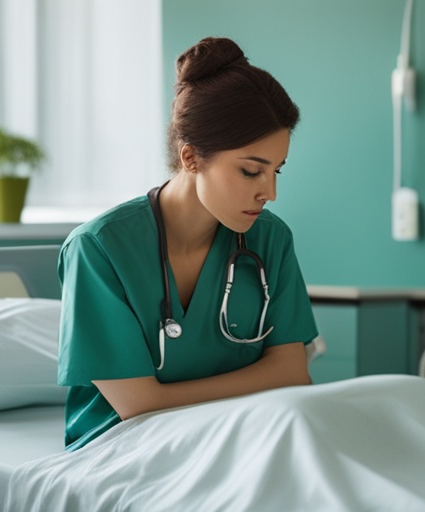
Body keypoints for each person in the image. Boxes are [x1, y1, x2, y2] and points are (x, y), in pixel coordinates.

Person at [57, 37, 319, 451]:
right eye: (252, 171)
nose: (269, 192)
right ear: (191, 158)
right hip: (124, 448)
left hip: (243, 436)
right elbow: (137, 407)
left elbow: (292, 373)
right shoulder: (99, 249)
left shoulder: (270, 239)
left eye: (277, 172)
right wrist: (257, 382)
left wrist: (166, 399)